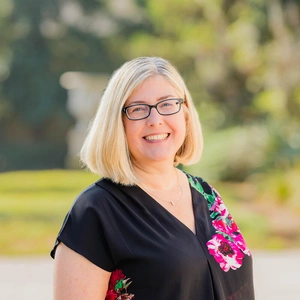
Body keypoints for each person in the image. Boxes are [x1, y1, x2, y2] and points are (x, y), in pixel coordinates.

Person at [51, 56, 255, 300]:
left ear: (186, 115)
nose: (155, 120)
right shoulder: (95, 211)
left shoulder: (206, 194)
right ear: (118, 123)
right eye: (138, 109)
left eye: (167, 104)